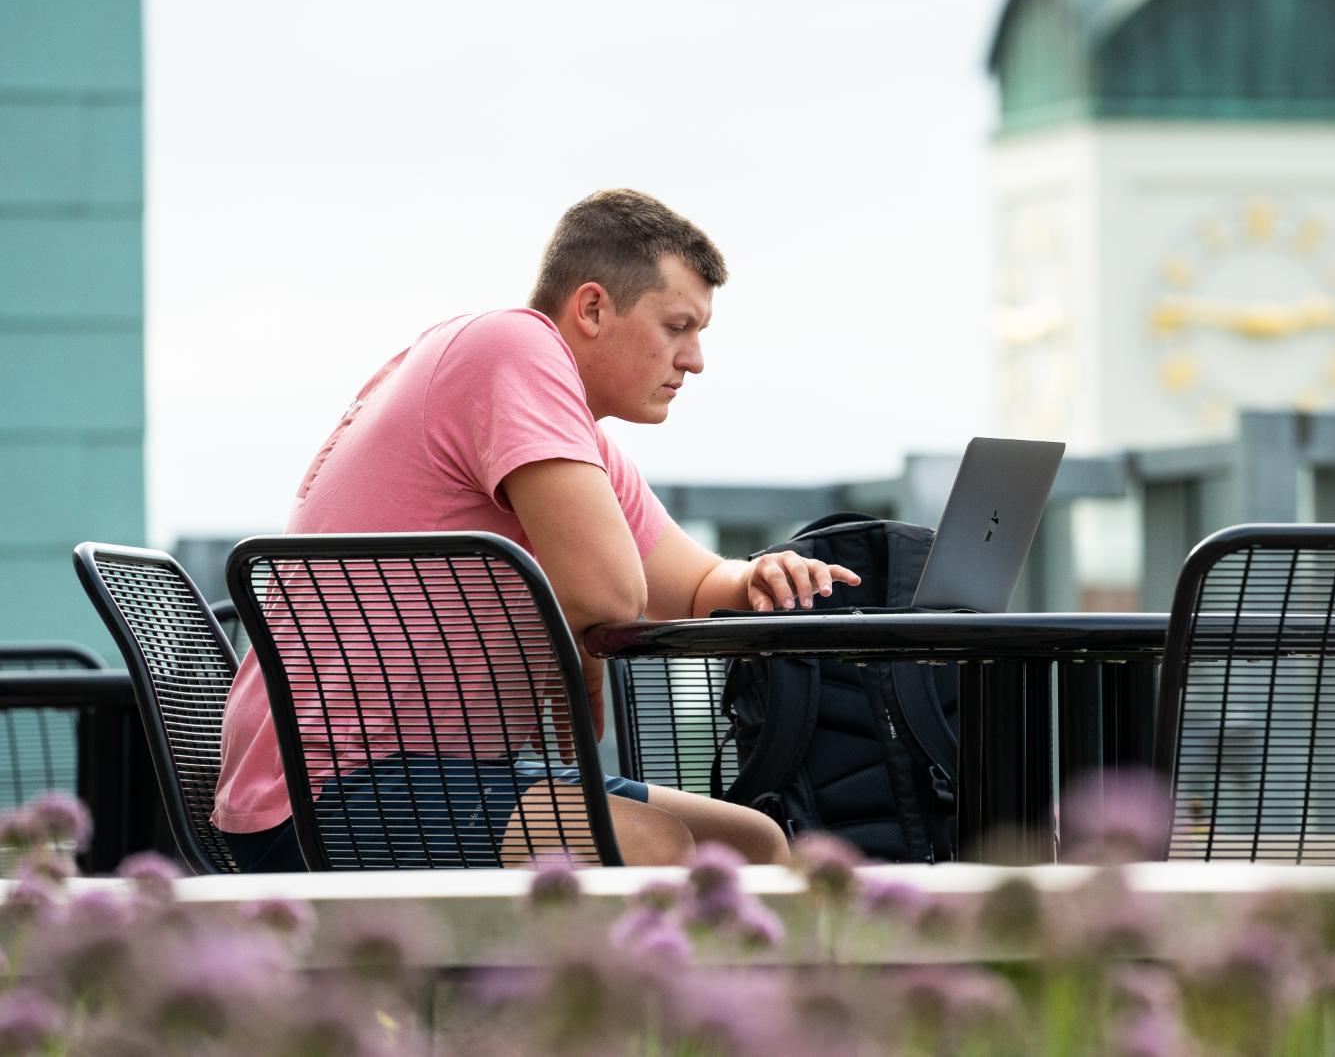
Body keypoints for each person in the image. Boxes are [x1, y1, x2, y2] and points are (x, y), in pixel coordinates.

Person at [211, 189, 855, 871]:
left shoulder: (569, 434)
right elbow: (608, 595)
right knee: (650, 847)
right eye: (676, 326)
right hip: (324, 791)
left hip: (441, 776)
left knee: (753, 845)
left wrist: (758, 575)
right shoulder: (511, 348)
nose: (694, 359)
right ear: (592, 308)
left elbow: (694, 585)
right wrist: (580, 634)